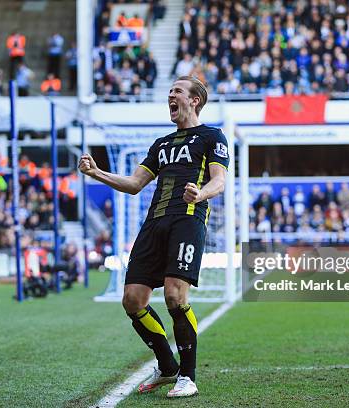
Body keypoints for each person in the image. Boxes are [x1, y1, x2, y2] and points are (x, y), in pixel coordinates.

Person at [78, 76, 229, 398]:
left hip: (187, 220)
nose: (170, 96)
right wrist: (96, 174)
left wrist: (200, 194)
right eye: (170, 92)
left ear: (195, 100)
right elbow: (134, 185)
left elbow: (220, 182)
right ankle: (167, 365)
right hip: (153, 224)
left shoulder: (212, 136)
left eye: (177, 91)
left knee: (175, 295)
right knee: (132, 299)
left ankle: (187, 376)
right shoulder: (161, 144)